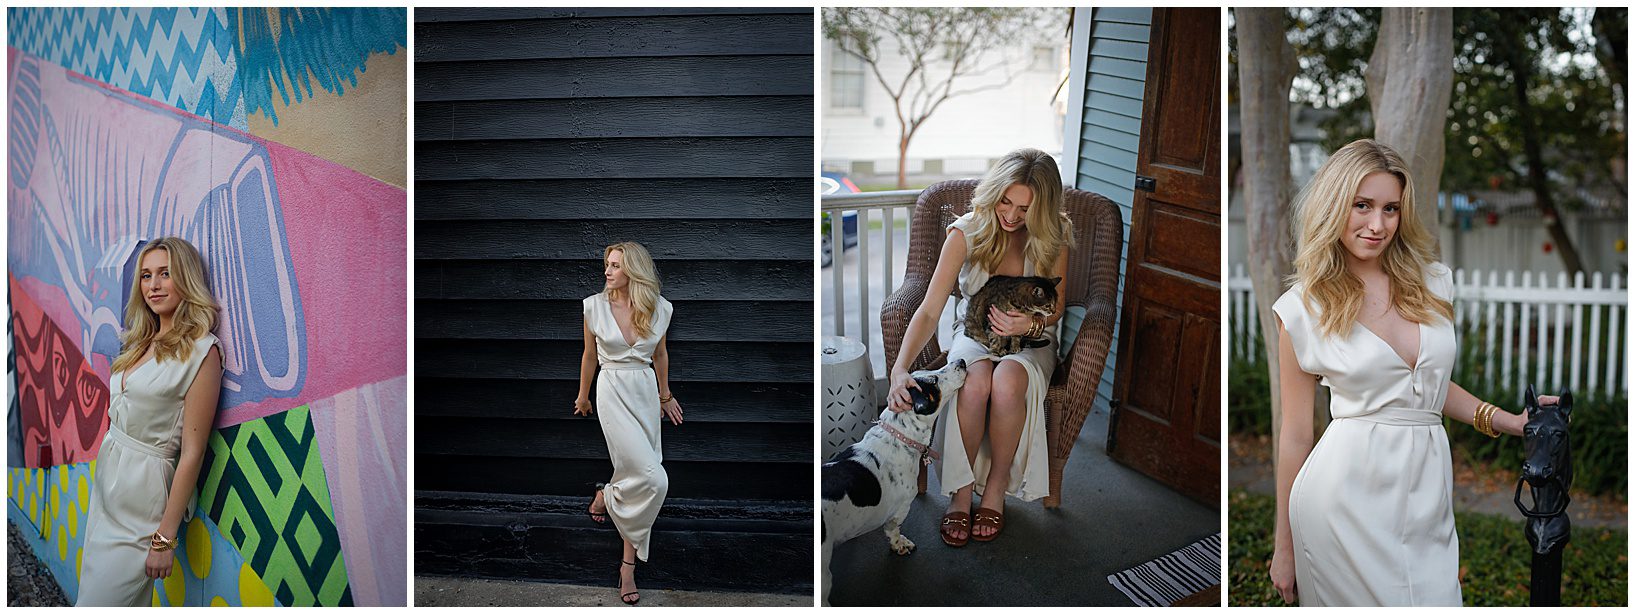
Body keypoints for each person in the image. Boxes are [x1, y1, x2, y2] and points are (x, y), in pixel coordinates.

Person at [1267, 139, 1543, 606]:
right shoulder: (1302, 309)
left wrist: (1507, 420)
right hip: (1340, 505)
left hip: (1427, 500)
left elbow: (1427, 388)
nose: (1377, 225)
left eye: (1390, 209)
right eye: (1362, 206)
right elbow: (1294, 434)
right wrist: (1284, 547)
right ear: (1335, 205)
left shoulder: (1432, 284)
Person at [885, 148, 1073, 546]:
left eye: (1025, 208)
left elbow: (1054, 309)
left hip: (1031, 338)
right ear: (994, 192)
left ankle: (996, 488)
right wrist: (899, 369)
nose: (1011, 215)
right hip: (975, 332)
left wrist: (1031, 322)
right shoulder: (967, 232)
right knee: (973, 382)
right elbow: (929, 310)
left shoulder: (1053, 235)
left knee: (1006, 381)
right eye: (1006, 200)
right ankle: (960, 490)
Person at [77, 237, 223, 606]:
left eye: (165, 274)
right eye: (146, 275)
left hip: (143, 501)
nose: (153, 285)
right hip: (108, 490)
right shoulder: (141, 341)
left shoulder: (202, 352)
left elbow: (192, 453)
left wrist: (163, 538)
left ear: (186, 280)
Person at [574, 241, 683, 605]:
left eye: (615, 266)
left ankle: (626, 562)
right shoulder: (593, 306)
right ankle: (608, 500)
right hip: (611, 389)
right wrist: (583, 395)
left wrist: (665, 396)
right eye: (606, 264)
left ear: (633, 271)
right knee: (653, 478)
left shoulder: (659, 309)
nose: (607, 271)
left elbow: (661, 353)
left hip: (645, 391)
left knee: (633, 478)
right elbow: (589, 355)